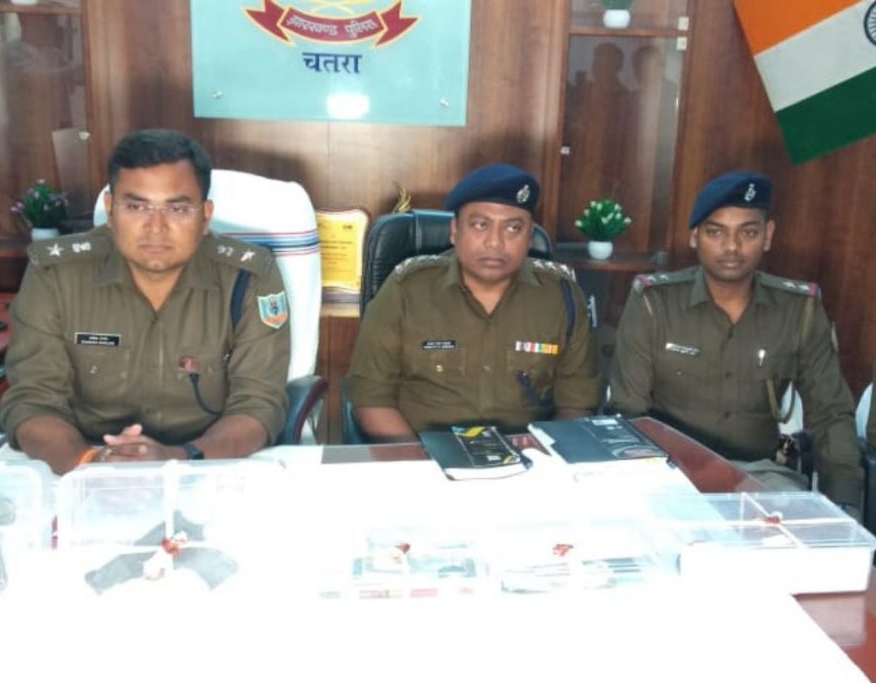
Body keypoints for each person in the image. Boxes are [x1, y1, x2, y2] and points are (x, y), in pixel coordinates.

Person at [0, 128, 291, 474]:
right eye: (136, 206)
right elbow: (33, 401)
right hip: (83, 462)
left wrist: (176, 460)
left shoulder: (248, 276)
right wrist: (90, 467)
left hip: (204, 464)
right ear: (111, 210)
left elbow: (257, 405)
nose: (156, 227)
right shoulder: (55, 274)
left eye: (177, 208)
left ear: (205, 215)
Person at [608, 171, 862, 513]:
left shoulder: (798, 310)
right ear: (695, 236)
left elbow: (831, 415)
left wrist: (844, 505)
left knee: (795, 534)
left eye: (748, 232)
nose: (732, 247)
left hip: (760, 476)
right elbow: (628, 412)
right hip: (670, 474)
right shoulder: (655, 303)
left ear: (767, 236)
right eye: (716, 232)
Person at [346, 164, 600, 442]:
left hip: (528, 457)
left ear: (529, 237)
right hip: (423, 454)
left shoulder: (561, 296)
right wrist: (422, 459)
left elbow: (577, 402)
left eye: (513, 228)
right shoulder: (405, 289)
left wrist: (545, 451)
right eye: (480, 225)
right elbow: (371, 399)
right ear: (455, 230)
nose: (495, 243)